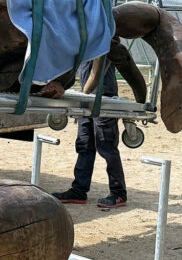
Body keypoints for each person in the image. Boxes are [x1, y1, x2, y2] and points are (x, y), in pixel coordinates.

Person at [51, 58, 128, 209]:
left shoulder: (105, 40)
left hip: (104, 97)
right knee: (84, 144)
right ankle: (79, 190)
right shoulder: (86, 42)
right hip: (86, 99)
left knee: (106, 147)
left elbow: (101, 69)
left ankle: (119, 193)